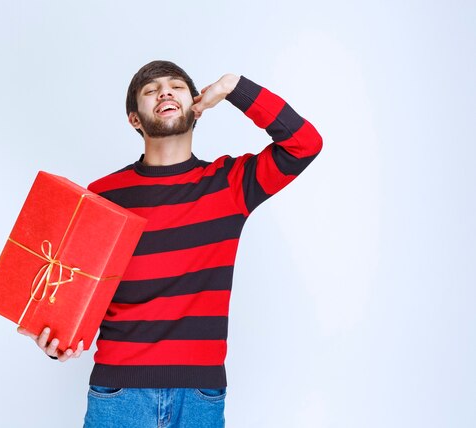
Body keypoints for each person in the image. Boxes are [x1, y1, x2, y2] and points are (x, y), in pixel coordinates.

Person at [18, 60, 323, 427]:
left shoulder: (230, 185)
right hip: (118, 394)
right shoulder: (101, 196)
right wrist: (56, 341)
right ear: (135, 119)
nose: (164, 91)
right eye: (151, 90)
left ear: (196, 106)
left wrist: (234, 87)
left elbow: (305, 144)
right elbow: (74, 295)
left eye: (176, 86)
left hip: (199, 397)